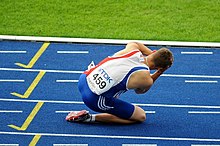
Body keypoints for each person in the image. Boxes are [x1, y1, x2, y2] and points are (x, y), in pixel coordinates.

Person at [66, 42, 174, 124]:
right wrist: (159, 72)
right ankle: (88, 118)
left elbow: (136, 43)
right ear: (159, 68)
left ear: (154, 52)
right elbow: (140, 91)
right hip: (93, 99)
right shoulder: (145, 78)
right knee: (140, 116)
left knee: (115, 91)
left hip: (84, 79)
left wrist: (152, 55)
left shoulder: (133, 49)